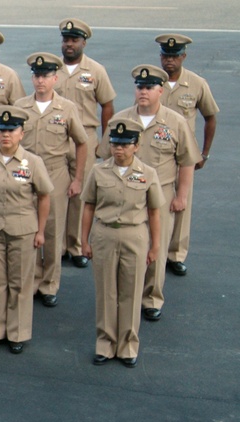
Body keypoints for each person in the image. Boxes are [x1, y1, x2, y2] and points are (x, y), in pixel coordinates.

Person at [98, 65, 200, 323]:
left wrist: (182, 196)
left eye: (149, 87)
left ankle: (151, 298)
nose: (143, 92)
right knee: (125, 248)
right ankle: (123, 297)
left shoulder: (175, 122)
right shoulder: (119, 121)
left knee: (157, 247)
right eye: (139, 87)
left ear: (160, 90)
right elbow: (104, 158)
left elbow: (186, 161)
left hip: (161, 193)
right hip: (125, 194)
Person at [0, 107, 53, 354]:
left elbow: (44, 196)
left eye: (11, 130)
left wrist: (40, 230)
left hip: (22, 229)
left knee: (20, 282)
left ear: (21, 133)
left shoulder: (33, 162)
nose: (5, 134)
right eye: (2, 130)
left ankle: (17, 333)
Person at [81, 120, 163, 367]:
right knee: (106, 291)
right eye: (115, 144)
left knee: (131, 291)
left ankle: (128, 345)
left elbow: (155, 211)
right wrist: (84, 240)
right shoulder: (98, 171)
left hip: (134, 235)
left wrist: (156, 246)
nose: (119, 149)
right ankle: (105, 343)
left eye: (125, 145)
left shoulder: (148, 174)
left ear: (136, 146)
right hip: (104, 234)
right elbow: (88, 207)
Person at [15, 52, 89, 307]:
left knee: (53, 231)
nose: (40, 81)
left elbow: (81, 142)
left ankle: (49, 283)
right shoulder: (20, 106)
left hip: (56, 173)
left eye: (45, 76)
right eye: (36, 75)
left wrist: (77, 178)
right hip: (25, 175)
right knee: (28, 229)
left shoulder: (67, 108)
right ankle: (33, 278)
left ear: (55, 78)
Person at [155, 33, 219, 276]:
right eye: (165, 56)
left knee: (181, 204)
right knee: (156, 201)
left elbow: (210, 117)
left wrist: (204, 153)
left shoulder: (196, 83)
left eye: (174, 56)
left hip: (184, 155)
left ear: (183, 56)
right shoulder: (152, 82)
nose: (169, 61)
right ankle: (156, 249)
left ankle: (176, 254)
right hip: (156, 151)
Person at [55, 18, 116, 268]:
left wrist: (104, 141)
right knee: (57, 193)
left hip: (87, 137)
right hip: (57, 137)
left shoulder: (96, 71)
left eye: (74, 40)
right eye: (66, 40)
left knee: (81, 194)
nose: (69, 44)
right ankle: (56, 245)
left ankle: (77, 245)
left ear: (84, 42)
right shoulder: (51, 69)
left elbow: (107, 106)